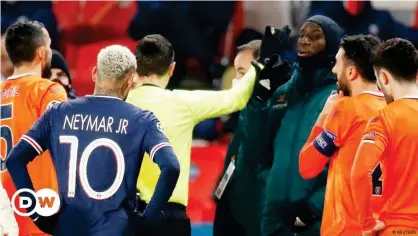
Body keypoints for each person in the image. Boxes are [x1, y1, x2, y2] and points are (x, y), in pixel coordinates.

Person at [6, 45, 180, 236]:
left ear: (95, 73)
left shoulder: (57, 113)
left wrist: (36, 214)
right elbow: (171, 166)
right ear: (130, 80)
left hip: (68, 228)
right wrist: (149, 218)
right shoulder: (142, 120)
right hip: (117, 229)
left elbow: (15, 159)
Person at [126, 32, 285, 235]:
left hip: (124, 213)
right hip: (168, 217)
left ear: (135, 68)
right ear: (172, 69)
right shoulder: (183, 103)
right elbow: (235, 99)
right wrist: (262, 64)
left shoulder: (116, 104)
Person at [243, 15, 343, 236]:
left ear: (333, 47)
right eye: (303, 35)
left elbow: (348, 165)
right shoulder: (284, 93)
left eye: (315, 37)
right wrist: (260, 97)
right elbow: (256, 145)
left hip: (314, 219)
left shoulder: (339, 97)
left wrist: (313, 208)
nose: (305, 41)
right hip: (274, 217)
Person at [298, 35, 385, 236]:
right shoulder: (396, 107)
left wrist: (322, 117)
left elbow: (307, 166)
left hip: (347, 228)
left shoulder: (346, 108)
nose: (333, 70)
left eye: (337, 63)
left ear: (352, 72)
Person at [0, 20, 67, 236]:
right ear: (41, 53)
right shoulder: (49, 91)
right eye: (48, 46)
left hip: (5, 214)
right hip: (40, 209)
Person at [351, 38, 418, 236]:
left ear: (384, 78)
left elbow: (360, 173)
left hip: (399, 228)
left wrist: (366, 223)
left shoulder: (384, 118)